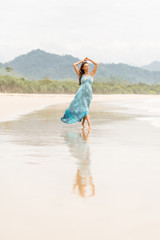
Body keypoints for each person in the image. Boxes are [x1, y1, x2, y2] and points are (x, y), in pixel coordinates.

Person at [61, 57, 98, 129]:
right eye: (86, 66)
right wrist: (82, 61)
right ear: (83, 68)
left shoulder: (92, 74)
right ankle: (90, 125)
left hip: (89, 95)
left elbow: (96, 64)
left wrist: (89, 60)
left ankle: (83, 123)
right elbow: (74, 65)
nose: (87, 67)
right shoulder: (80, 75)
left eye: (88, 66)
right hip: (81, 94)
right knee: (85, 109)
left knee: (85, 109)